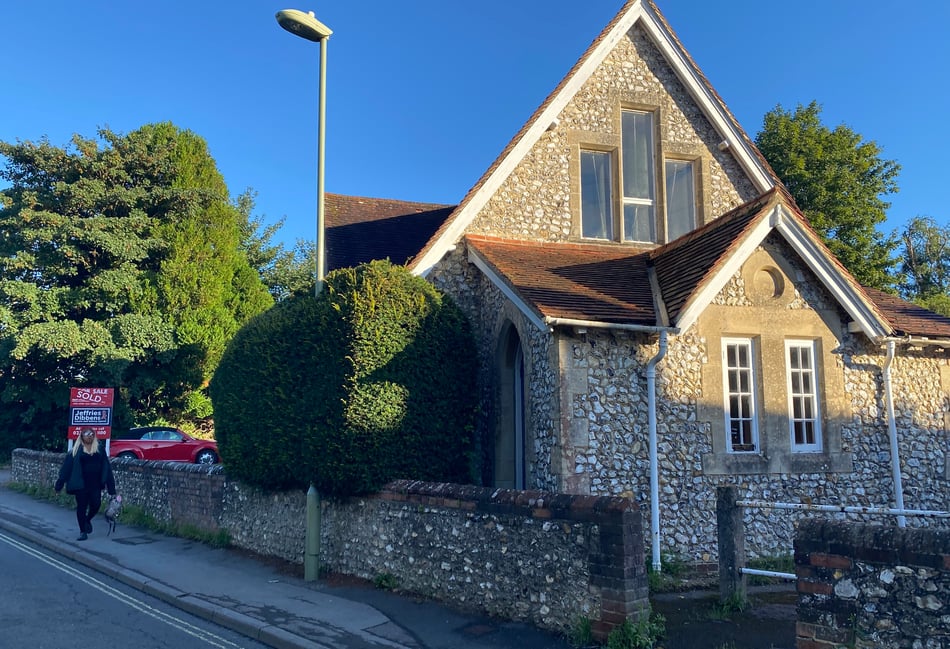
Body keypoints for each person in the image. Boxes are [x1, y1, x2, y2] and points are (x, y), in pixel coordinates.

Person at [55, 427, 117, 541]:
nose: (89, 436)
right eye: (87, 434)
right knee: (82, 507)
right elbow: (66, 469)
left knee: (96, 504)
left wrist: (111, 489)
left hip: (95, 483)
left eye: (91, 434)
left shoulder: (99, 449)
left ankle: (87, 520)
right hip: (80, 484)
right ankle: (83, 531)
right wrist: (59, 485)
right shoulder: (75, 451)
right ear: (82, 436)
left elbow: (106, 468)